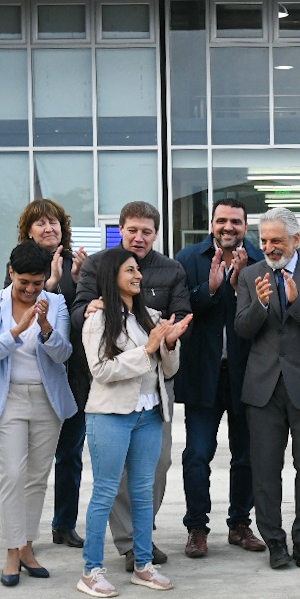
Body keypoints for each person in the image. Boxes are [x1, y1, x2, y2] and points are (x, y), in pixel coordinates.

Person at [74, 200, 190, 571]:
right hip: (112, 406)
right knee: (109, 486)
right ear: (120, 231)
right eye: (132, 231)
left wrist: (169, 341)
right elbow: (100, 365)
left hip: (152, 404)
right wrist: (147, 346)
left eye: (147, 232)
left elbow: (168, 353)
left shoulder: (162, 289)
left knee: (151, 476)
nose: (139, 238)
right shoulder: (98, 286)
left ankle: (141, 547)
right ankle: (112, 556)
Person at [235, 207, 300, 569]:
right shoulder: (250, 276)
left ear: (297, 240)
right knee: (265, 469)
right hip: (263, 388)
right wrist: (261, 304)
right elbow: (242, 330)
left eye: (276, 240)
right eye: (264, 240)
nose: (269, 247)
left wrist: (298, 303)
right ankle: (275, 543)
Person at [0, 241, 79, 586]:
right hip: (7, 401)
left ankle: (27, 547)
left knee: (36, 478)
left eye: (37, 283)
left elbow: (63, 354)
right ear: (11, 274)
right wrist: (18, 330)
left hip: (46, 401)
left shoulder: (58, 303)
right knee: (11, 475)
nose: (31, 289)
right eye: (24, 283)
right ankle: (10, 552)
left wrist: (47, 327)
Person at [175, 198, 267, 558]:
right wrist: (210, 290)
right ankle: (197, 527)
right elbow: (181, 311)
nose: (228, 228)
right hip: (202, 375)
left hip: (247, 376)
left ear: (246, 226)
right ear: (211, 224)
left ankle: (240, 524)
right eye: (222, 221)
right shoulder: (188, 259)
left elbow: (268, 316)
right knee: (197, 454)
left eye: (236, 222)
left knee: (246, 456)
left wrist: (243, 282)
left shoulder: (260, 261)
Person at [10, 198, 89, 549]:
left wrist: (79, 280)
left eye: (54, 222)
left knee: (70, 454)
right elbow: (22, 316)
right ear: (28, 230)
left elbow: (86, 314)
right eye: (40, 223)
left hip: (73, 374)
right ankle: (24, 532)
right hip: (31, 376)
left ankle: (64, 523)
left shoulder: (77, 264)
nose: (48, 228)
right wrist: (52, 285)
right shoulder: (19, 266)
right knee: (29, 462)